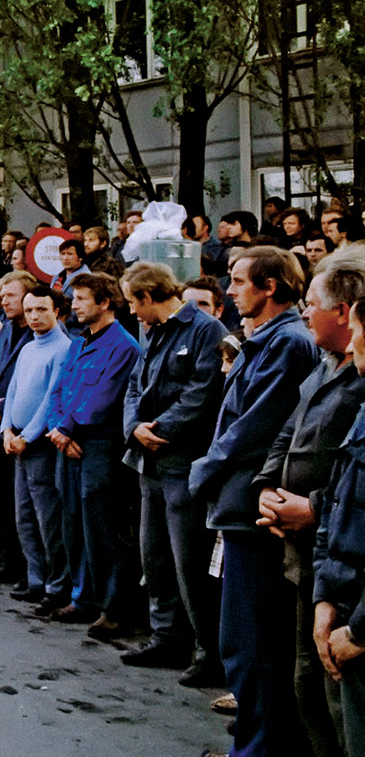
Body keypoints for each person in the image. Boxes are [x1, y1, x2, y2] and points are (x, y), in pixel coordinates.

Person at [190, 246, 319, 757]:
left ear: (270, 287)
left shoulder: (287, 343)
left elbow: (253, 429)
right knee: (243, 643)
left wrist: (202, 471)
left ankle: (259, 750)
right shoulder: (265, 339)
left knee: (256, 646)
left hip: (251, 510)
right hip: (239, 506)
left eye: (241, 280)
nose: (230, 290)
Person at [254, 246, 365, 757]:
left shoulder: (359, 374)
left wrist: (313, 508)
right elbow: (287, 433)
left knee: (339, 695)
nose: (304, 314)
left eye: (312, 305)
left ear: (343, 312)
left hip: (343, 558)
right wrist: (267, 487)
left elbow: (351, 478)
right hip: (313, 555)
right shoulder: (324, 364)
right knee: (307, 680)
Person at [118, 261, 228, 686]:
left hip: (183, 464)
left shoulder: (205, 331)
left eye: (133, 302)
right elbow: (134, 385)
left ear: (149, 296)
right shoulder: (155, 331)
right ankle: (165, 637)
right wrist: (134, 427)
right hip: (149, 463)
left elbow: (202, 394)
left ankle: (207, 650)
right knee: (156, 556)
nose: (132, 311)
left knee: (190, 563)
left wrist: (159, 429)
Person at [42, 273, 140, 636]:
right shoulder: (79, 342)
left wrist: (66, 428)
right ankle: (82, 598)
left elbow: (103, 397)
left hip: (99, 445)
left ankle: (114, 608)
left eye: (83, 298)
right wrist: (59, 428)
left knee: (103, 529)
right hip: (67, 442)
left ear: (105, 302)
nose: (75, 305)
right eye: (75, 298)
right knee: (73, 525)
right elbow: (58, 390)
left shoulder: (123, 346)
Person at [311, 299, 365, 754]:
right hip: (343, 608)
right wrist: (324, 598)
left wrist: (361, 629)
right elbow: (335, 503)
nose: (352, 344)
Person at [2, 286, 75, 611]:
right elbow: (13, 390)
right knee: (25, 516)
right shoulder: (28, 348)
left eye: (41, 309)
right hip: (17, 440)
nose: (34, 316)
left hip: (40, 444)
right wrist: (6, 429)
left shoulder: (64, 348)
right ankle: (36, 578)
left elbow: (51, 399)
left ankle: (56, 584)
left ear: (56, 311)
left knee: (48, 517)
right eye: (29, 310)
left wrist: (27, 436)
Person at [0, 271, 37, 588]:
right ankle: (6, 560)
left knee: (25, 505)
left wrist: (9, 410)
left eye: (11, 295)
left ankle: (31, 570)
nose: (3, 301)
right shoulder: (3, 331)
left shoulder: (39, 335)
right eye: (2, 296)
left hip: (25, 431)